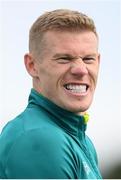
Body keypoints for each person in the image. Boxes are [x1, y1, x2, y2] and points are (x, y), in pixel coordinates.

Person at [0, 9, 102, 179]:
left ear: (98, 62)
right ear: (32, 65)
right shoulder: (40, 138)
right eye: (64, 58)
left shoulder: (77, 138)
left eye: (88, 59)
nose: (80, 70)